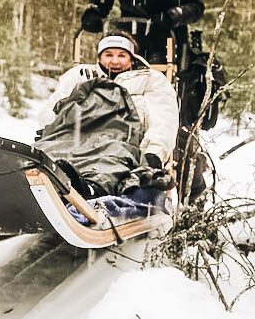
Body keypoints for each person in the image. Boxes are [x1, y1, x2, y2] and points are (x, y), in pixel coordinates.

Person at [35, 31, 179, 223]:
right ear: (99, 56)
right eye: (108, 54)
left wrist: (154, 153)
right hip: (73, 138)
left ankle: (88, 191)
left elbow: (164, 119)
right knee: (43, 154)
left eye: (122, 55)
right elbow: (49, 116)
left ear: (132, 57)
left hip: (120, 141)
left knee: (110, 160)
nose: (115, 61)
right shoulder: (80, 76)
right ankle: (35, 187)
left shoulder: (149, 79)